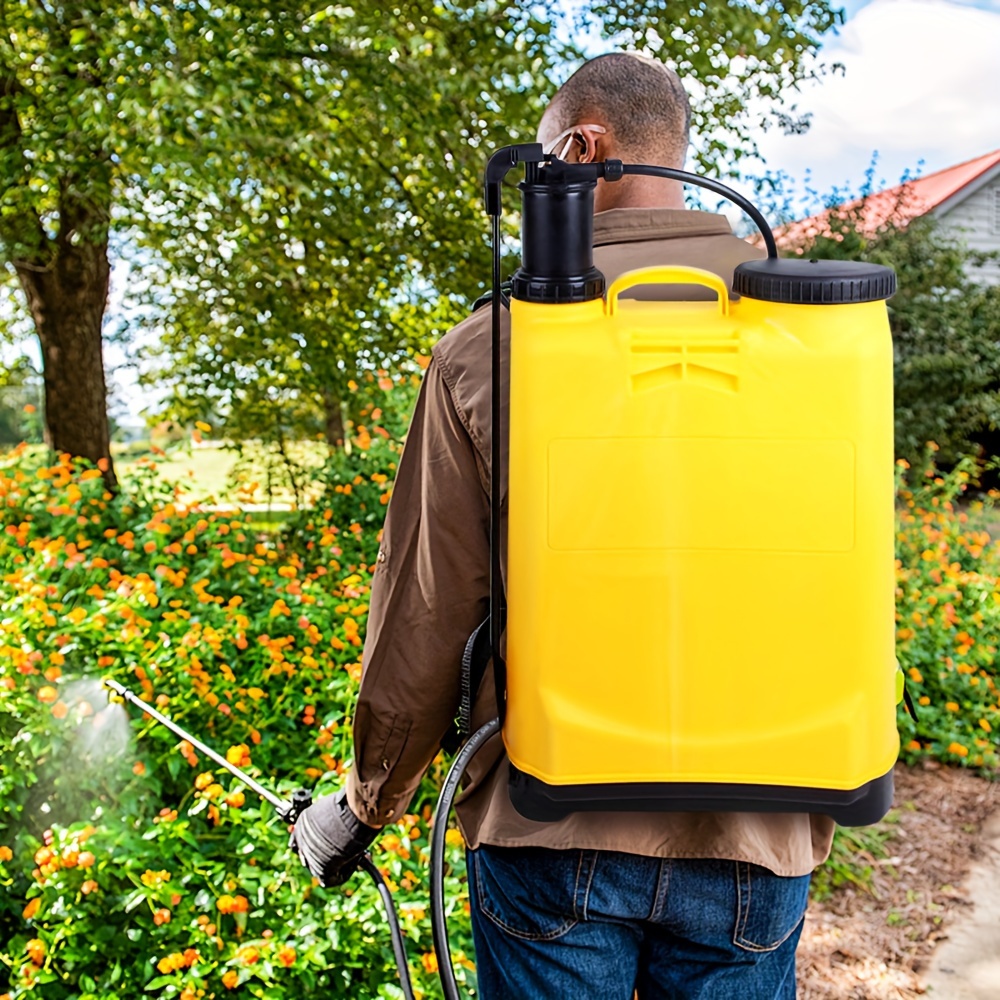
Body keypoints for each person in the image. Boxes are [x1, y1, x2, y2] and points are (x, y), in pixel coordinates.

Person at [292, 53, 833, 1000]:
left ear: (582, 150)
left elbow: (429, 608)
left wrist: (367, 804)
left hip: (552, 823)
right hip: (763, 825)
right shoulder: (819, 338)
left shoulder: (493, 345)